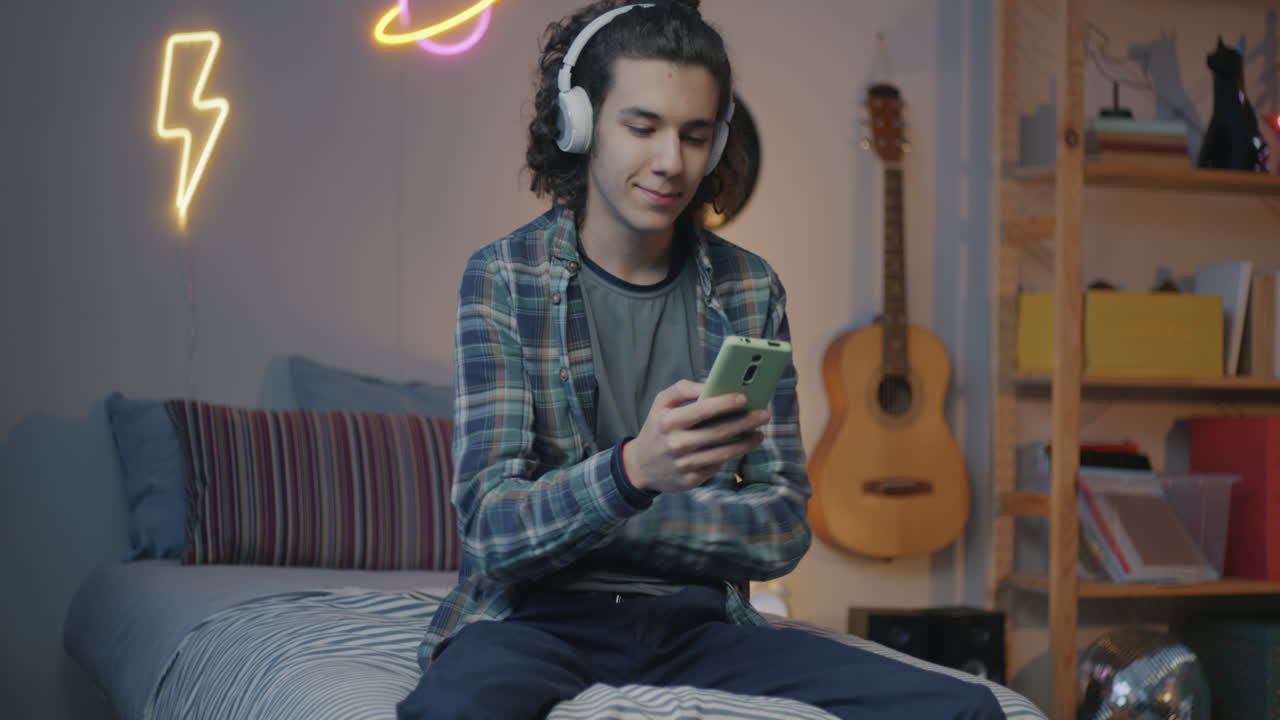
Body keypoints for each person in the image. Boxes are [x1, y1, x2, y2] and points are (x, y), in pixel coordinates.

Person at [397, 2, 1005, 718]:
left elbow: (781, 526)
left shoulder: (750, 289)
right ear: (581, 125)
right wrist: (632, 473)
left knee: (969, 710)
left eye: (694, 135)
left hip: (700, 628)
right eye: (642, 127)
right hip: (536, 623)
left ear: (717, 146)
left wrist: (620, 518)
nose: (670, 162)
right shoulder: (504, 278)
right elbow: (493, 532)